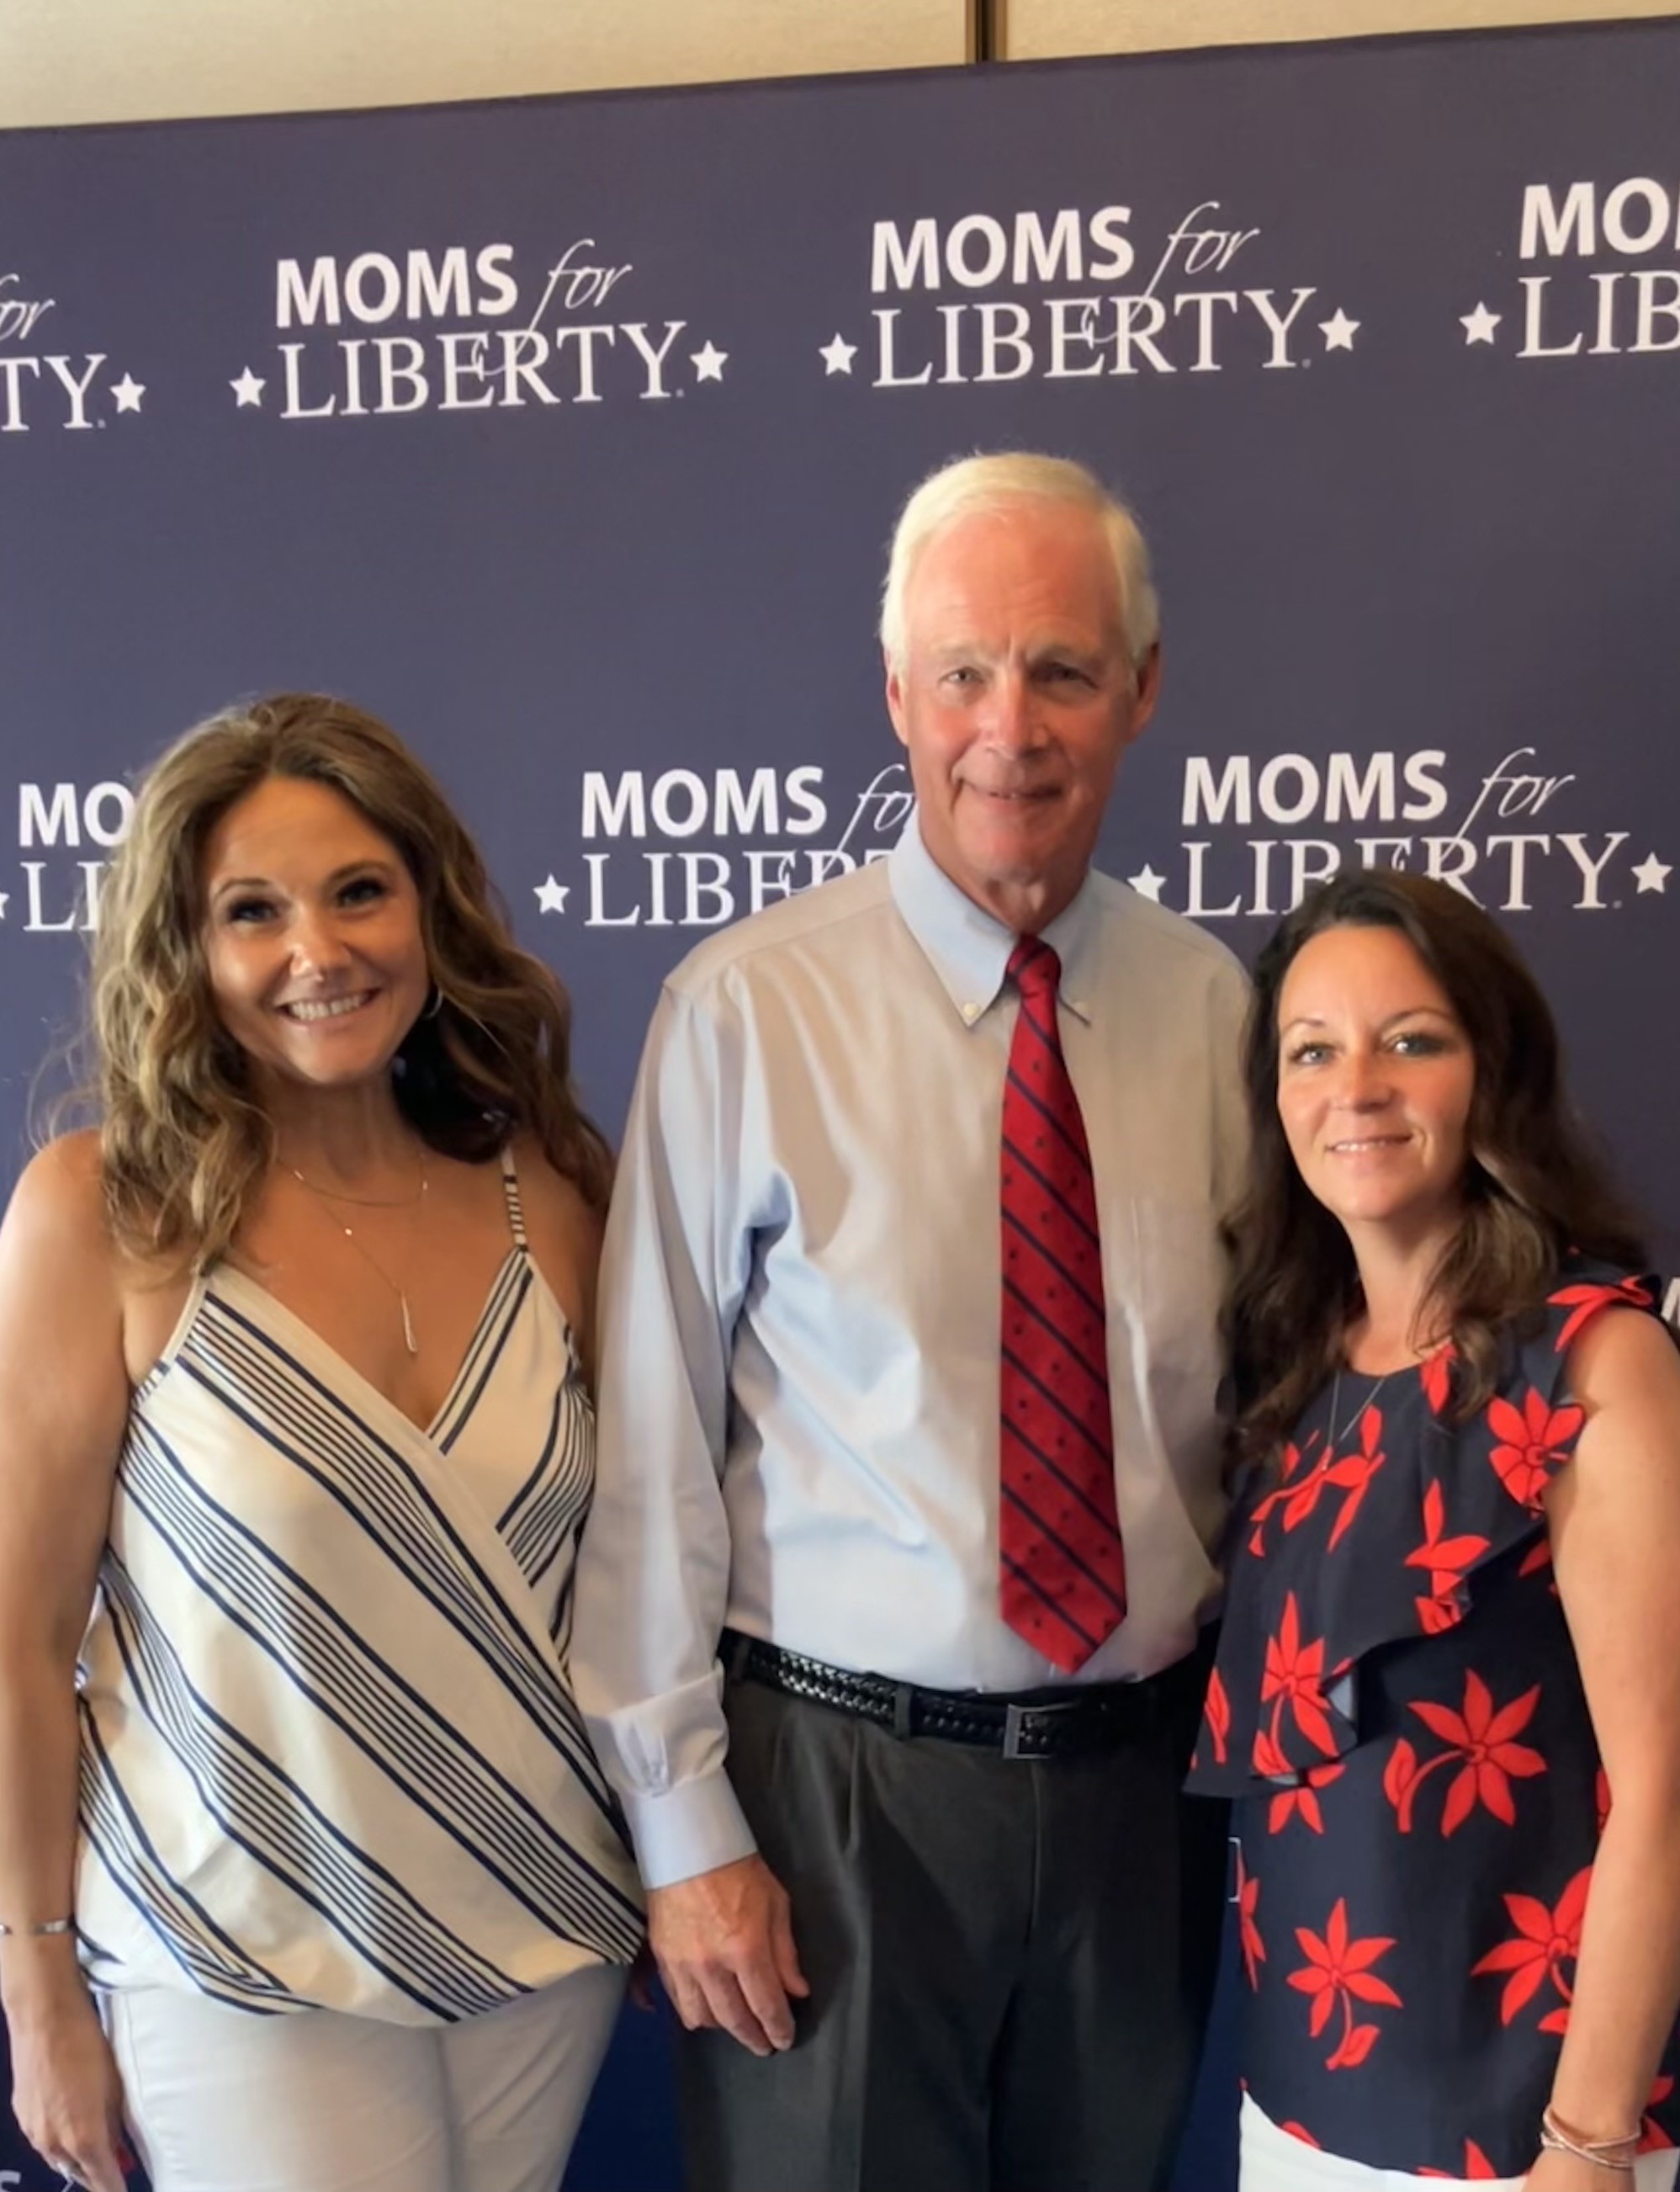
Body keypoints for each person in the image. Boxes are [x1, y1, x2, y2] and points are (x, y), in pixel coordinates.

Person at [570, 453, 1251, 2192]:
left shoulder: (1221, 1015)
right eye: (962, 672)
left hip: (1138, 1803)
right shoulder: (744, 1010)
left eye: (1061, 670)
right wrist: (681, 1829)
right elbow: (649, 1448)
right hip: (835, 1806)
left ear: (1142, 688)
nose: (1006, 728)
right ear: (894, 693)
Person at [0, 694, 643, 2192]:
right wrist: (36, 1986)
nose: (317, 951)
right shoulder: (101, 1214)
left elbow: (631, 1580)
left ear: (430, 906)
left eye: (358, 891)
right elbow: (17, 1648)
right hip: (233, 1948)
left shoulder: (549, 1194)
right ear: (185, 950)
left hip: (543, 1927)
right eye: (251, 910)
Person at [1188, 869, 1680, 2191]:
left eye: (1410, 1040)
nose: (1355, 1087)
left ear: (1493, 1069)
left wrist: (1586, 2146)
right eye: (1311, 1050)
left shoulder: (1590, 1360)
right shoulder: (1300, 1365)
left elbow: (1670, 1791)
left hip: (1520, 2134)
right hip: (1301, 2106)